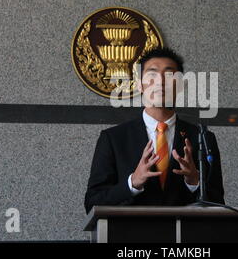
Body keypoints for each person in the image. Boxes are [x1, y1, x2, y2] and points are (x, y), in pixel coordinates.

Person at [84, 47, 225, 214]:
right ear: (139, 85)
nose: (160, 81)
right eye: (152, 74)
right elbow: (92, 203)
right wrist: (133, 183)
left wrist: (194, 182)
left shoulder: (202, 138)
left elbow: (219, 205)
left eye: (168, 74)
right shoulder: (113, 138)